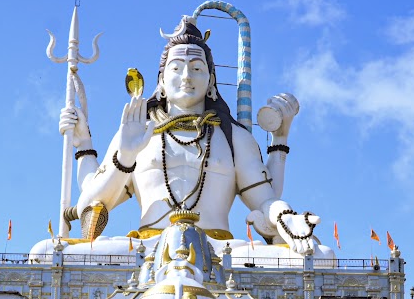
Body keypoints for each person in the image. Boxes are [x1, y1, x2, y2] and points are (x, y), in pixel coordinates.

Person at [57, 15, 321, 255]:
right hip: (147, 249)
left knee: (321, 256)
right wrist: (116, 154)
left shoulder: (233, 138)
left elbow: (265, 200)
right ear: (160, 80)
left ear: (211, 81)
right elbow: (89, 204)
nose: (186, 77)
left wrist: (287, 216)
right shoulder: (137, 131)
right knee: (45, 249)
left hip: (218, 250)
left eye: (196, 68)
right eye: (176, 68)